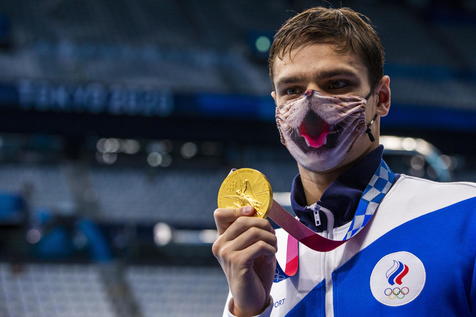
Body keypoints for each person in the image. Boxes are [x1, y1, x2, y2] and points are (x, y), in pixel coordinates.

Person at [212, 6, 476, 317]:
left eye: (337, 84)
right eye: (292, 90)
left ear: (381, 98)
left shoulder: (463, 216)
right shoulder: (265, 256)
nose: (310, 104)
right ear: (276, 106)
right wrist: (247, 311)